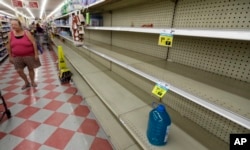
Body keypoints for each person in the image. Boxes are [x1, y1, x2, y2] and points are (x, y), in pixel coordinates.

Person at [6, 18, 41, 90]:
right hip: (16, 56)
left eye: (15, 24)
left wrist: (36, 54)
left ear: (20, 25)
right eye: (12, 24)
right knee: (19, 71)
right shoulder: (10, 34)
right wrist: (10, 56)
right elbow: (9, 45)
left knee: (31, 69)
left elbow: (34, 42)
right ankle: (26, 82)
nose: (13, 26)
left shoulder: (26, 33)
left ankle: (32, 82)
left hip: (29, 55)